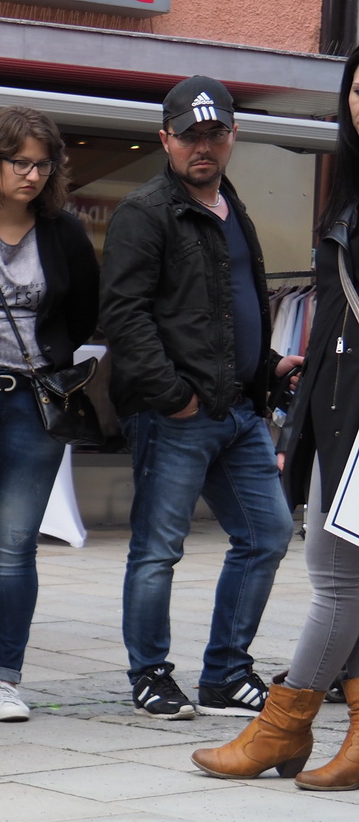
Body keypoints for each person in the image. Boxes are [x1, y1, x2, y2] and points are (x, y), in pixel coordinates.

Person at [101, 76, 302, 720]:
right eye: (190, 135)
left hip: (238, 409)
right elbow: (124, 314)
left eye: (215, 134)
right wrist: (173, 396)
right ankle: (151, 673)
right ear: (166, 139)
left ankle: (225, 672)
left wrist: (270, 365)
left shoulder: (232, 207)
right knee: (158, 548)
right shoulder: (145, 210)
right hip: (175, 414)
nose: (203, 146)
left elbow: (224, 311)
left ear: (232, 136)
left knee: (267, 533)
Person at [193, 47, 359, 790]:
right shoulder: (350, 191)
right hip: (334, 408)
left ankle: (282, 726)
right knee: (343, 575)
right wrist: (300, 430)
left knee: (337, 578)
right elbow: (328, 326)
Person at [0, 107, 101, 723]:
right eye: (20, 162)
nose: (32, 175)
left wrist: (51, 357)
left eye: (42, 164)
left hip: (35, 402)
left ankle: (7, 678)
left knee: (14, 546)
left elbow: (83, 310)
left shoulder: (62, 231)